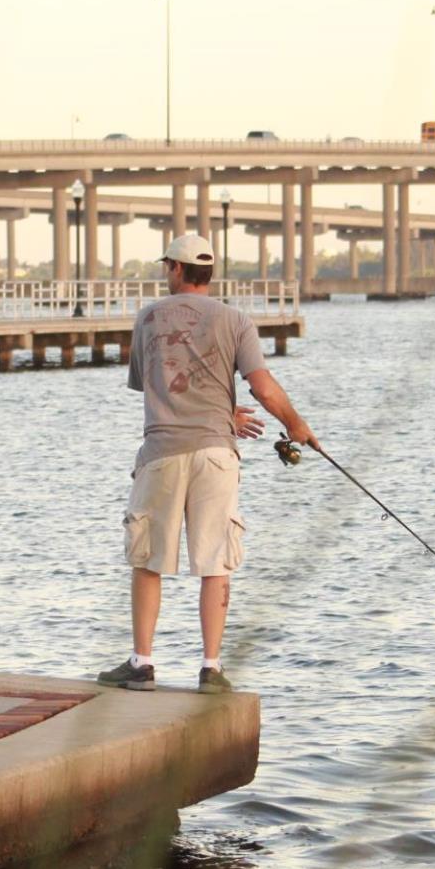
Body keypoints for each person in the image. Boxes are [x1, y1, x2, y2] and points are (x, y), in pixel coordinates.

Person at [97, 233, 318, 694]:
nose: (165, 272)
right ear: (208, 274)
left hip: (162, 452)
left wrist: (215, 410)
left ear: (177, 270)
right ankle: (211, 669)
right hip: (217, 453)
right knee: (216, 561)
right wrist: (296, 424)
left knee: (148, 559)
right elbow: (262, 386)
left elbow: (159, 385)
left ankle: (142, 663)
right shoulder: (236, 320)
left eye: (167, 266)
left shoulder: (148, 318)